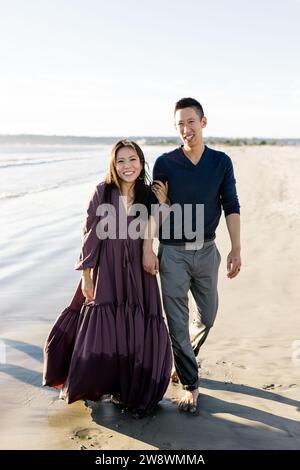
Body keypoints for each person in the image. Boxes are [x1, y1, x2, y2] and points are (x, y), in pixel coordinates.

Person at [43, 139, 172, 418]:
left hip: (139, 271)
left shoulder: (147, 193)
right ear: (113, 165)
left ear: (141, 162)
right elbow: (89, 236)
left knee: (137, 329)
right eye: (121, 161)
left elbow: (153, 228)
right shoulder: (102, 192)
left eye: (133, 160)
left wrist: (161, 206)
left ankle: (131, 389)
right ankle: (98, 383)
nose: (128, 166)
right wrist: (87, 277)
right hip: (108, 270)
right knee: (105, 330)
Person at [144, 98, 241, 414]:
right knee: (176, 320)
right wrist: (149, 242)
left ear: (203, 122)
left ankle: (184, 356)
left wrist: (236, 247)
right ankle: (190, 385)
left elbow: (231, 204)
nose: (185, 129)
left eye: (190, 122)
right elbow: (157, 209)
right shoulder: (165, 163)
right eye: (179, 124)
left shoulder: (221, 162)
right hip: (172, 253)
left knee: (208, 315)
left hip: (207, 250)